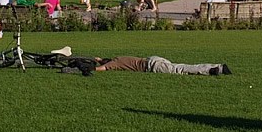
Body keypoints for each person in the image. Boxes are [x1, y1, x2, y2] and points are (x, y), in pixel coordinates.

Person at [84, 55, 230, 76]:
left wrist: (88, 68)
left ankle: (212, 70)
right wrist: (92, 59)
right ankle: (218, 66)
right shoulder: (119, 57)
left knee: (180, 70)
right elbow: (99, 59)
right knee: (181, 66)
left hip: (152, 66)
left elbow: (101, 67)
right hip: (154, 59)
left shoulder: (114, 63)